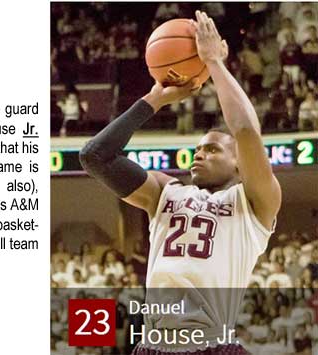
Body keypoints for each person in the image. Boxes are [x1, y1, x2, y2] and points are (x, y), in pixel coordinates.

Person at [80, 11, 281, 354]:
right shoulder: (164, 192)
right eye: (197, 149)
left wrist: (214, 63)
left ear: (238, 161)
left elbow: (246, 131)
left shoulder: (254, 204)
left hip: (212, 345)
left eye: (213, 149)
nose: (198, 155)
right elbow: (94, 156)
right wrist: (155, 99)